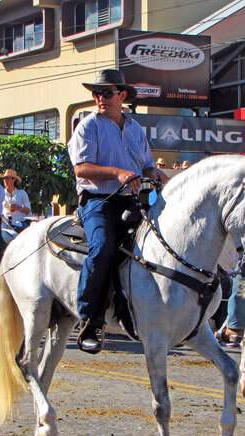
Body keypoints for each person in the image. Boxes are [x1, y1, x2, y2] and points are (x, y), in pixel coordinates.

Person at [68, 69, 167, 354]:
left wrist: (157, 174)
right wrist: (118, 172)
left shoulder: (135, 128)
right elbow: (81, 169)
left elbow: (146, 165)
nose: (100, 98)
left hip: (134, 200)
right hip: (99, 201)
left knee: (167, 241)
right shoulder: (89, 126)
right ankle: (90, 320)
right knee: (102, 248)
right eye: (97, 93)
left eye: (107, 93)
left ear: (122, 95)